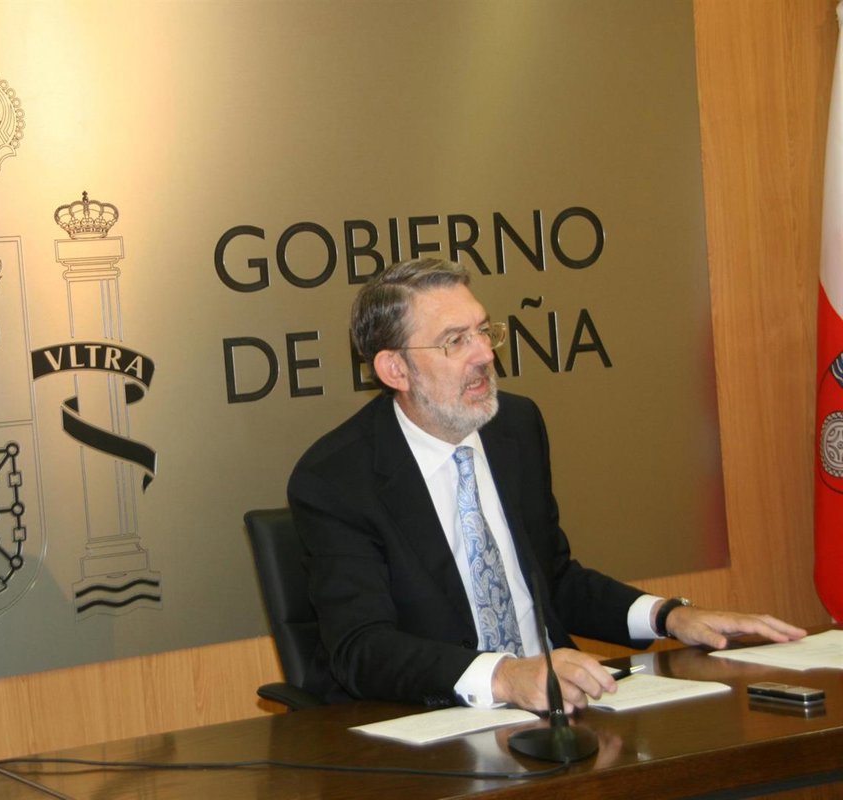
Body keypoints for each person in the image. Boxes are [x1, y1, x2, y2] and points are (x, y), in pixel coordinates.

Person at [287, 257, 805, 713]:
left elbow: (550, 579)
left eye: (484, 332)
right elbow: (362, 648)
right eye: (456, 341)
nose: (484, 355)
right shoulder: (336, 478)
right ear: (395, 369)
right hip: (433, 720)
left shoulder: (514, 426)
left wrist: (668, 616)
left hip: (559, 704)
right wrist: (504, 675)